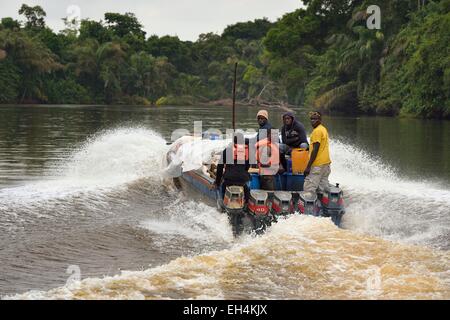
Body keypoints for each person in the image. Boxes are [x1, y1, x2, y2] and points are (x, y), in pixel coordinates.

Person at [212, 132, 251, 201]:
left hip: (229, 179)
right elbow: (247, 167)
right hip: (242, 179)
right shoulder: (247, 152)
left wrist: (217, 182)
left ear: (233, 141)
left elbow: (220, 168)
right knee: (247, 188)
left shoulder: (227, 151)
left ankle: (223, 200)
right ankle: (247, 201)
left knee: (223, 187)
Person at [303, 111, 331, 193]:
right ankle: (322, 205)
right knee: (322, 189)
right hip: (326, 163)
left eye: (315, 119)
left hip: (317, 165)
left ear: (320, 120)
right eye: (311, 119)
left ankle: (308, 205)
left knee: (308, 188)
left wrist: (308, 166)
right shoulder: (323, 129)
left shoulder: (317, 131)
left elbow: (315, 149)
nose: (313, 121)